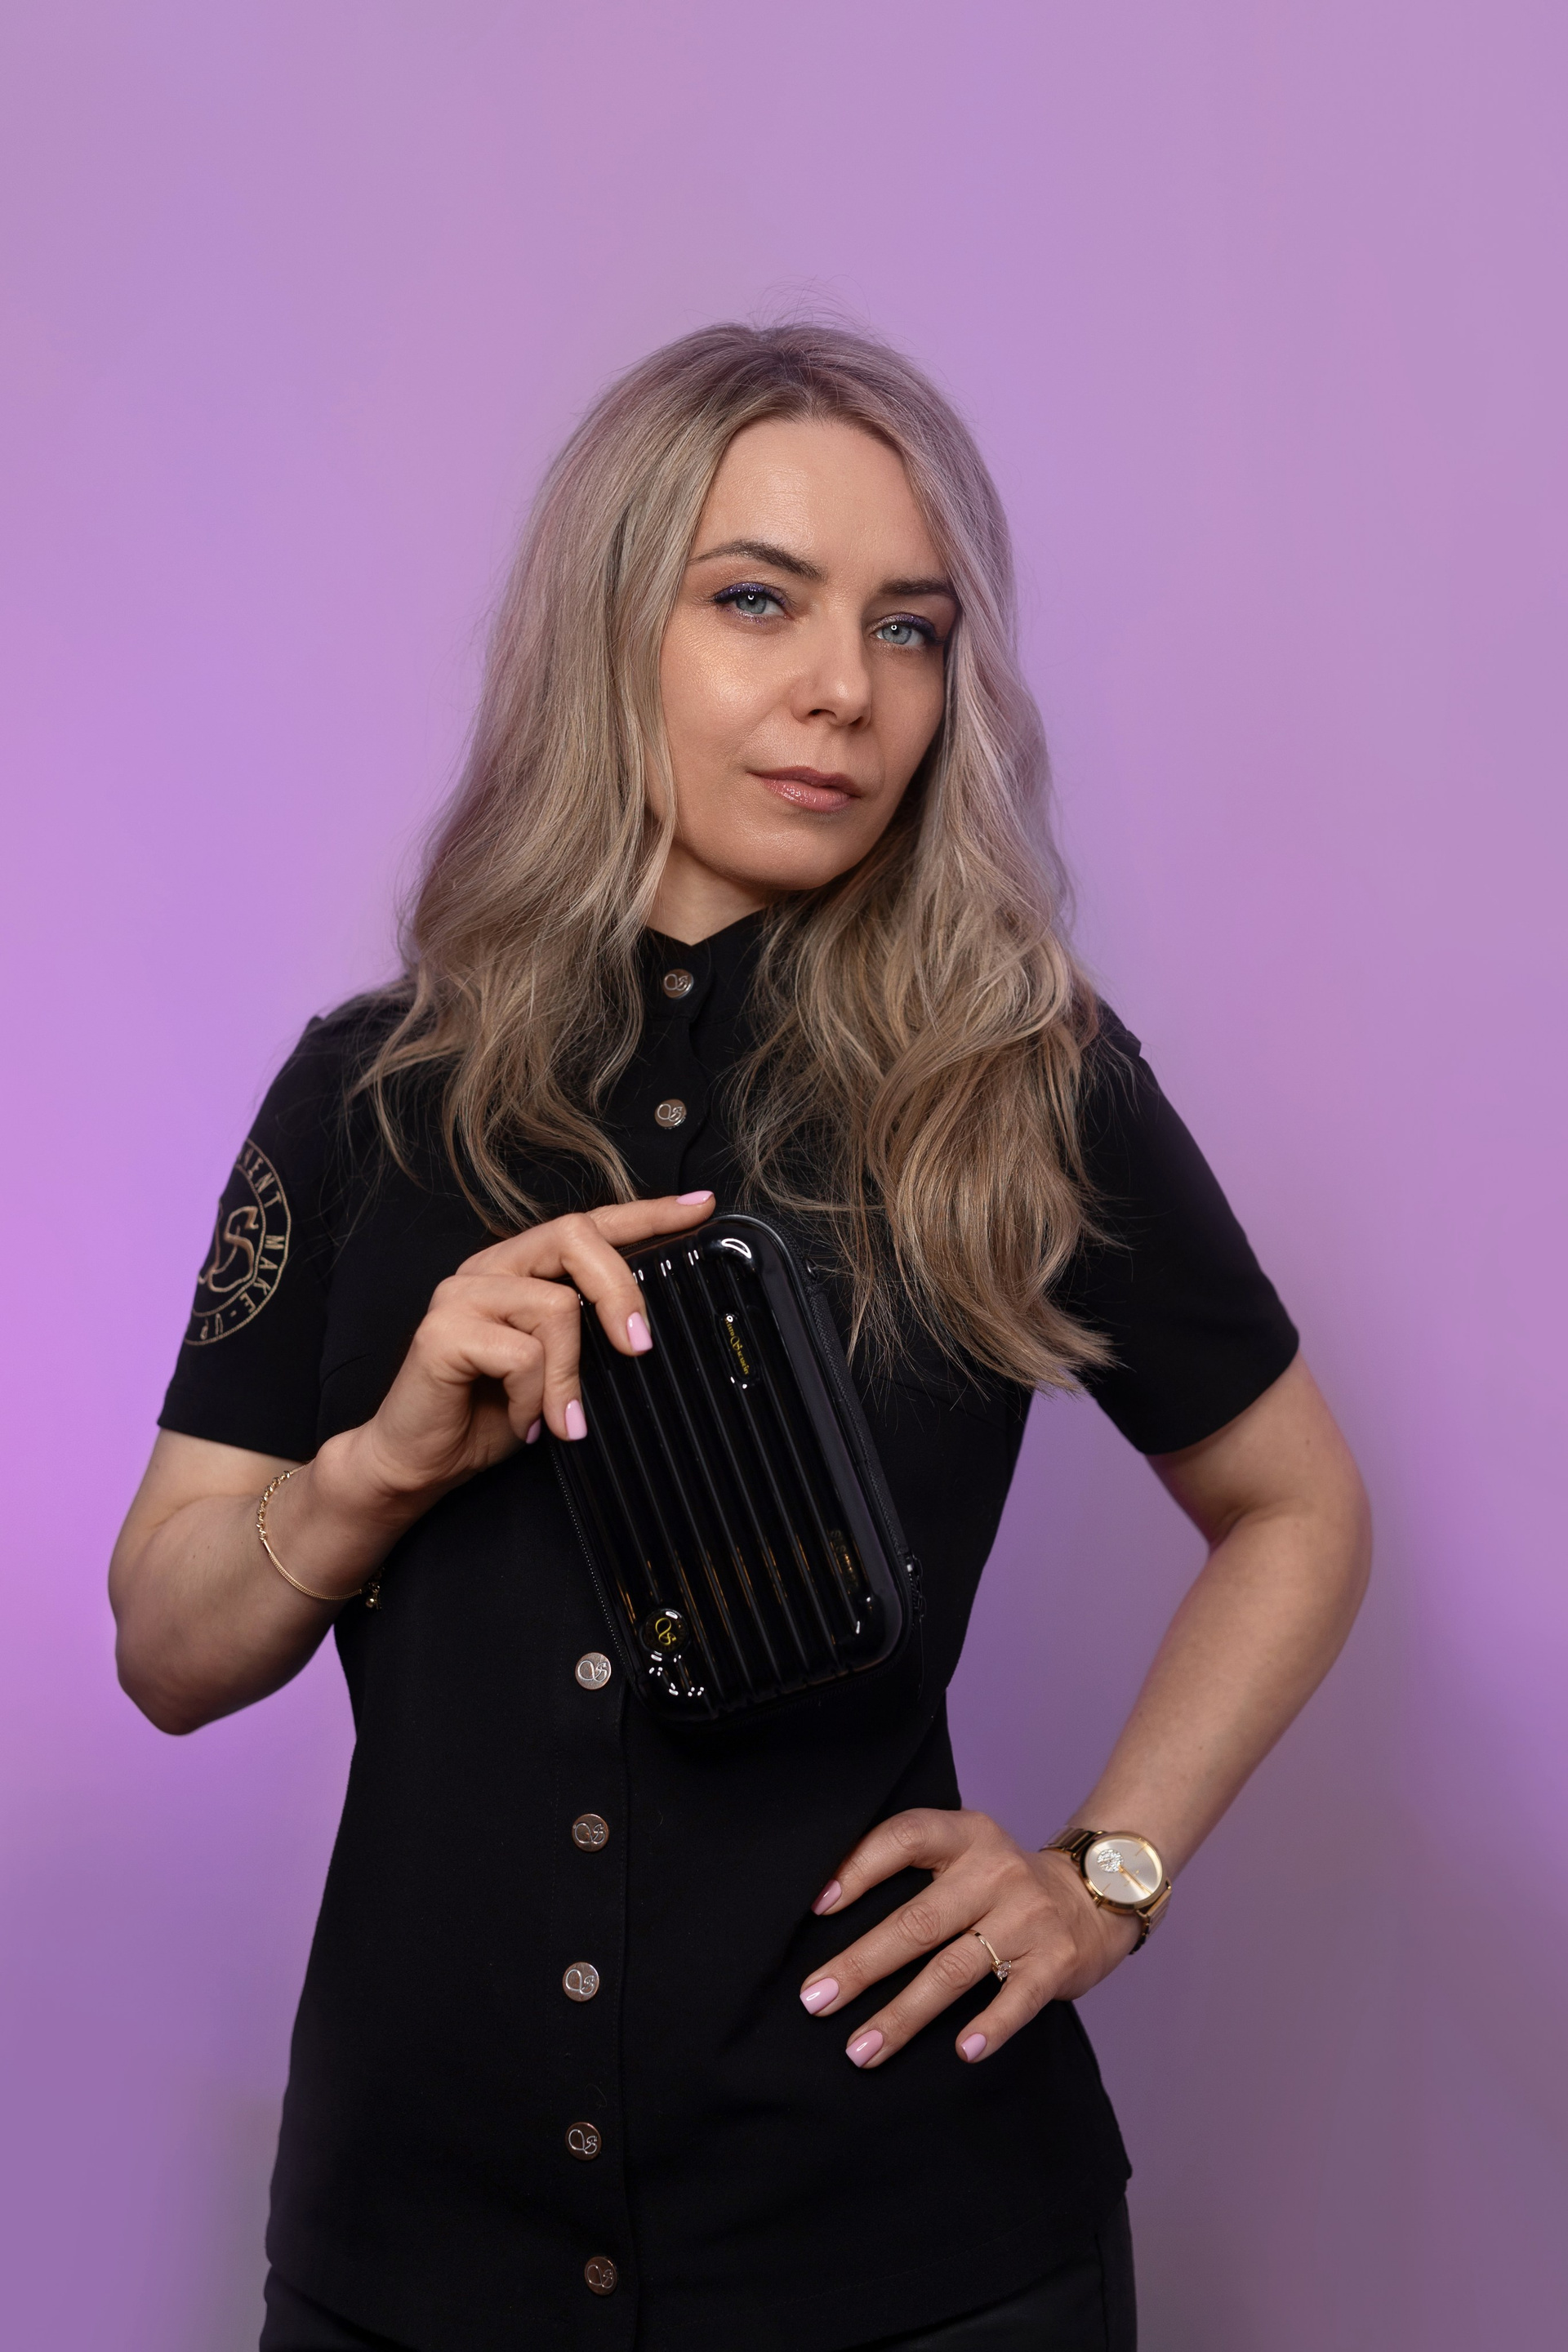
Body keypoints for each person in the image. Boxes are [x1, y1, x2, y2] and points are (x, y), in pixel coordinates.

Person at [109, 322, 1370, 2352]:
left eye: (909, 628)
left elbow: (1299, 1507)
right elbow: (166, 1652)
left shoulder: (1021, 1077)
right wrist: (378, 1471)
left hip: (917, 2261)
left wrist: (1104, 1876)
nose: (844, 691)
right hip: (413, 2263)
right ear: (611, 628)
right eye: (758, 601)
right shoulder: (369, 1096)